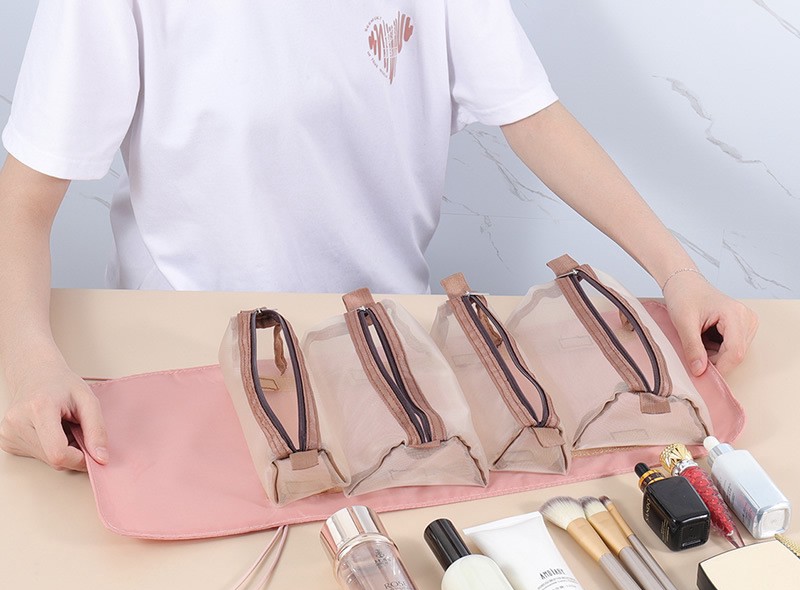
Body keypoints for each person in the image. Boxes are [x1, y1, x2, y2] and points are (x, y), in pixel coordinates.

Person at [0, 1, 757, 473]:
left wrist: (678, 272)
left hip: (383, 357)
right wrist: (30, 359)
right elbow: (23, 203)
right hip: (186, 357)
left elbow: (533, 117)